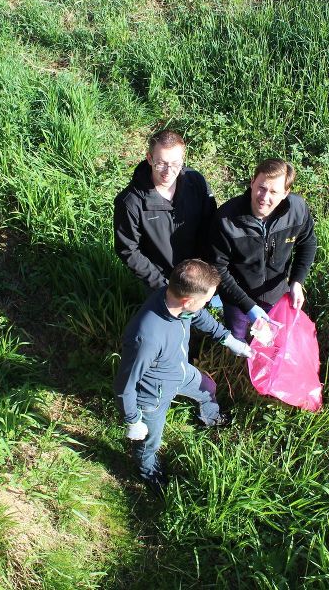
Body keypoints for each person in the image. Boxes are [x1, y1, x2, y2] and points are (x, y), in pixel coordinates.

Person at [113, 259, 252, 489]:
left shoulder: (176, 301)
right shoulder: (146, 337)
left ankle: (211, 417)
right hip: (153, 395)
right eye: (207, 300)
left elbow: (198, 316)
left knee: (208, 388)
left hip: (180, 370)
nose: (209, 303)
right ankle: (149, 471)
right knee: (150, 440)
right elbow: (124, 385)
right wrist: (132, 420)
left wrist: (228, 339)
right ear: (188, 301)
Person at [210, 158, 317, 341]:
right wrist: (247, 305)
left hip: (277, 295)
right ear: (252, 182)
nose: (264, 197)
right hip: (237, 297)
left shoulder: (298, 210)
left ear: (285, 193)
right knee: (238, 336)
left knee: (270, 339)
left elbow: (307, 243)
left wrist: (297, 281)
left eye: (274, 191)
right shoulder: (226, 220)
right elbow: (217, 268)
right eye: (261, 187)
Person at [114, 130, 217, 293]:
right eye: (161, 163)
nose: (168, 172)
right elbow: (128, 249)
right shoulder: (130, 202)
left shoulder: (197, 182)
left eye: (175, 163)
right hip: (160, 279)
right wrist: (162, 286)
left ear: (183, 159)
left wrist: (206, 269)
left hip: (199, 273)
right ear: (149, 158)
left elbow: (211, 224)